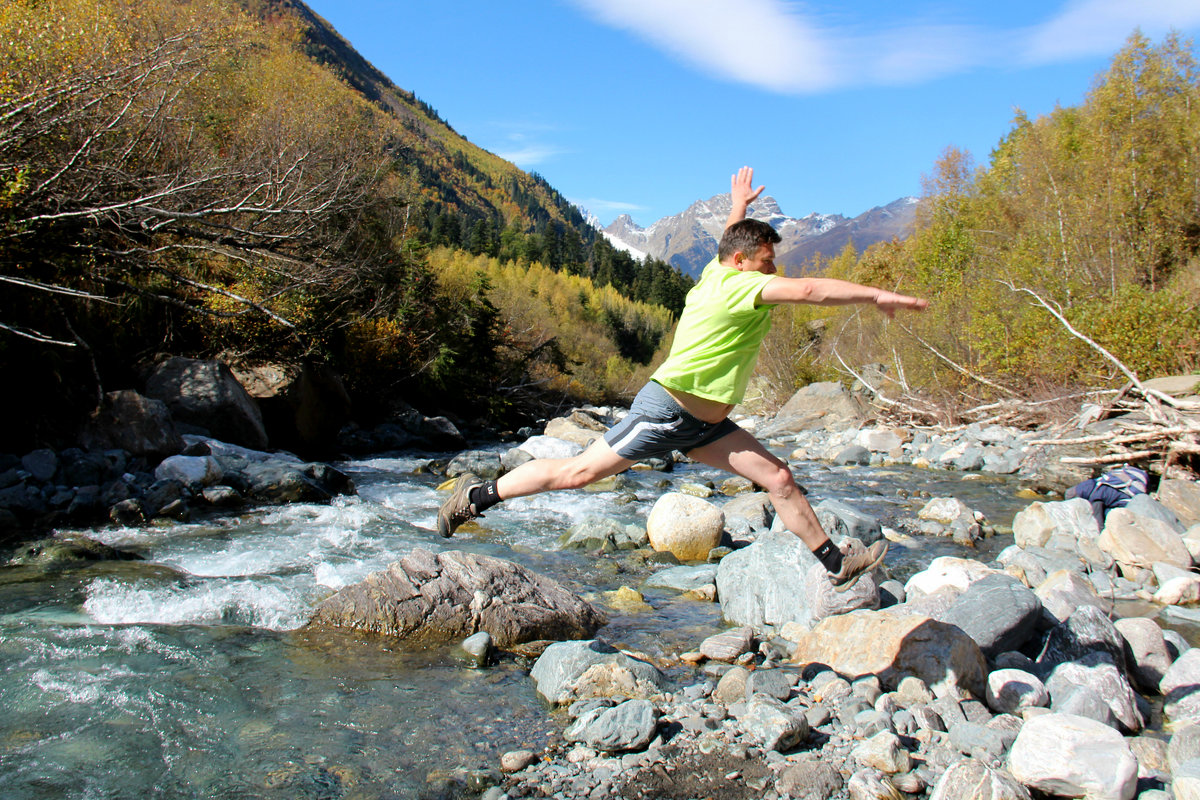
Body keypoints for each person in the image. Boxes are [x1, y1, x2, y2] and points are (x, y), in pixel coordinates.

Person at [438, 167, 930, 591]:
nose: (773, 270)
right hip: (666, 412)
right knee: (576, 473)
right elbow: (809, 290)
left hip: (707, 427)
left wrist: (738, 205)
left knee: (779, 478)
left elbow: (732, 243)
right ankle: (477, 498)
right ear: (743, 264)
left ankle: (836, 565)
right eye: (767, 261)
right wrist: (876, 296)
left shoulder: (719, 272)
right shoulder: (739, 286)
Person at [1065, 464, 1150, 529]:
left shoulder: (1096, 495)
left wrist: (1101, 532)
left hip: (1125, 501)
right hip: (1123, 497)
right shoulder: (1097, 485)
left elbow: (1098, 520)